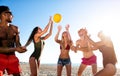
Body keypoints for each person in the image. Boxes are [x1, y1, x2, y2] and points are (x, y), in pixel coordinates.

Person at [0, 5, 26, 76]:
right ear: (4, 14)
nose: (13, 16)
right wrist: (16, 49)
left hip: (12, 57)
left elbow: (17, 44)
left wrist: (20, 48)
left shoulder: (15, 29)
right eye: (11, 14)